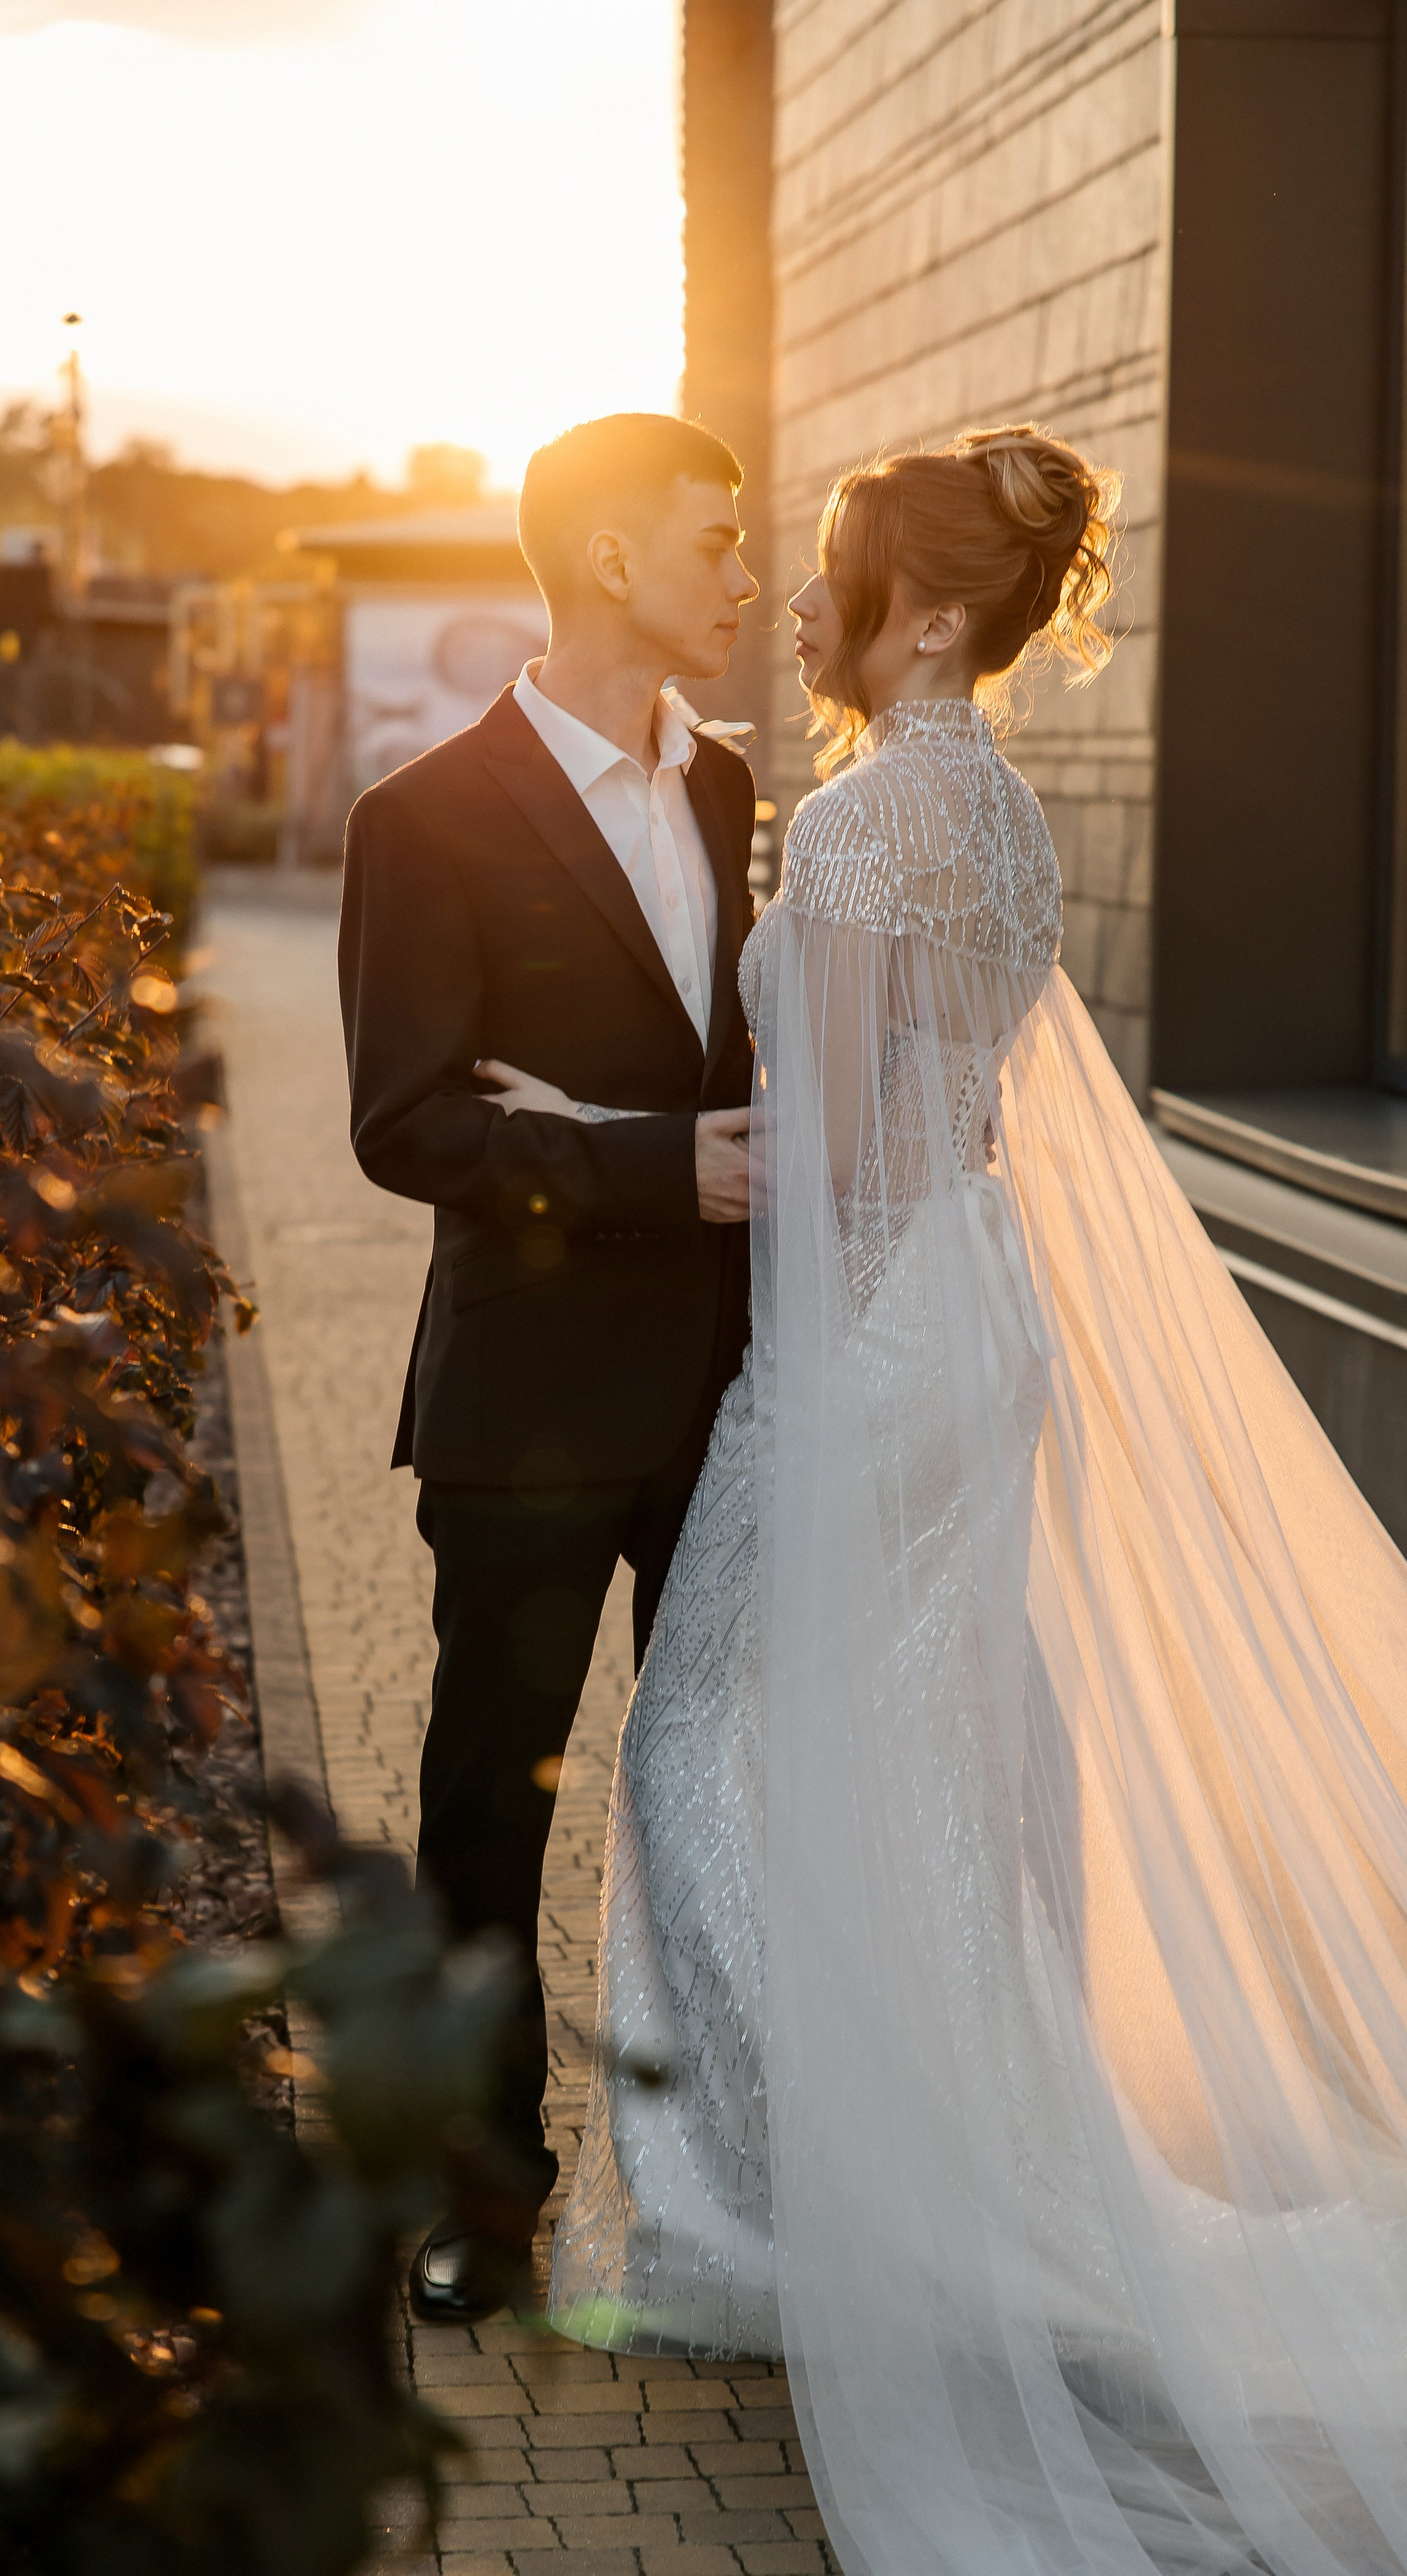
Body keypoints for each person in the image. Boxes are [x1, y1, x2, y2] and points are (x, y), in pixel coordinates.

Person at [499, 424, 1407, 2576]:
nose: (794, 603)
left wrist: (601, 1145)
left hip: (872, 1341)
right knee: (929, 1753)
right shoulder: (995, 810)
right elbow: (944, 1091)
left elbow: (818, 1161)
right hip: (972, 1316)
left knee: (713, 1739)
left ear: (919, 610)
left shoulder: (871, 813)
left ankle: (774, 2214)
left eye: (819, 572)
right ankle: (908, 2158)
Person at [337, 412, 762, 2322]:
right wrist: (643, 1160)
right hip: (523, 1410)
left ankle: (725, 2193)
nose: (746, 578)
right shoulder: (422, 818)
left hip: (736, 1403)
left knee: (720, 1797)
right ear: (611, 564)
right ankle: (479, 2208)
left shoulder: (737, 787)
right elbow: (409, 1124)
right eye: (714, 543)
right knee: (490, 1814)